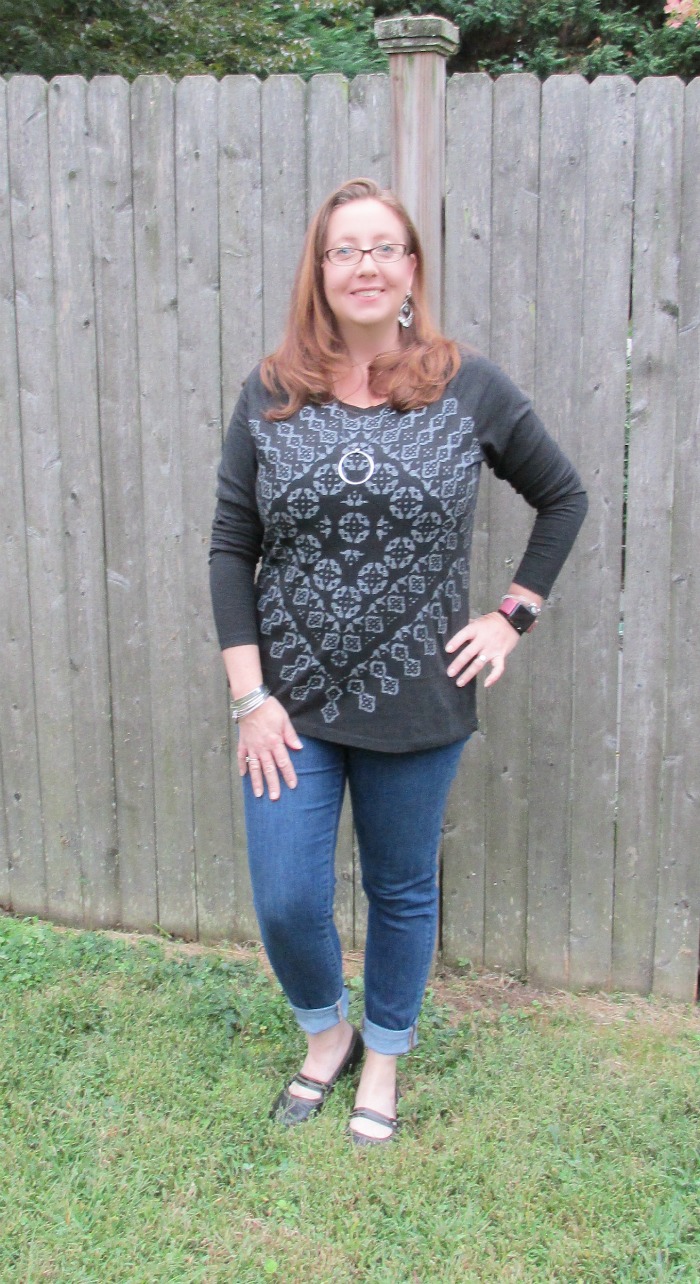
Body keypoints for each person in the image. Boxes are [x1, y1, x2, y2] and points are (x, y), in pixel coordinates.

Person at [209, 178, 587, 1145]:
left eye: (385, 247)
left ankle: (382, 1056)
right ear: (320, 271)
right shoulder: (272, 390)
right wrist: (249, 697)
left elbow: (564, 497)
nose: (366, 265)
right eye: (345, 249)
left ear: (412, 268)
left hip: (420, 699)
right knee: (287, 896)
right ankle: (325, 1033)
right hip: (286, 708)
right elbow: (230, 546)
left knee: (401, 888)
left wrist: (512, 616)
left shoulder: (469, 387)